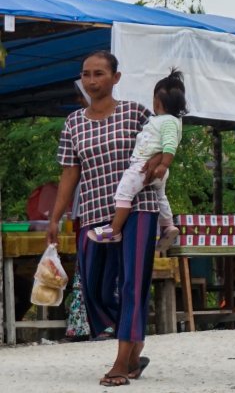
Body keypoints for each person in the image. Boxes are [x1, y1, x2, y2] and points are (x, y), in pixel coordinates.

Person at [47, 51, 161, 387]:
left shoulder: (135, 114)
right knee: (93, 287)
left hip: (139, 209)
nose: (92, 81)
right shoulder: (74, 122)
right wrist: (56, 218)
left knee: (131, 284)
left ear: (116, 77)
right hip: (94, 214)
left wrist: (155, 166)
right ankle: (134, 338)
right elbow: (70, 172)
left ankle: (121, 363)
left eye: (99, 74)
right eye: (86, 74)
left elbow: (161, 144)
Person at [87, 69, 185, 251]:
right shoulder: (164, 120)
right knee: (160, 196)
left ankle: (114, 230)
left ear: (158, 101)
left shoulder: (169, 121)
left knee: (123, 194)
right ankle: (168, 225)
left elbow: (171, 144)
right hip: (155, 169)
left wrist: (164, 164)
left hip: (142, 166)